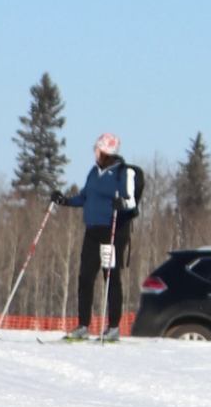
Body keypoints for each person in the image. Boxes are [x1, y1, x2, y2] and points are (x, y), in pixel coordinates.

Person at [54, 133, 144, 338]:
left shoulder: (123, 172)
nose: (95, 152)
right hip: (92, 231)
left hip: (112, 232)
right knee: (85, 277)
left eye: (98, 149)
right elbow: (84, 197)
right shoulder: (94, 172)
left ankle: (113, 327)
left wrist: (121, 203)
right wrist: (64, 201)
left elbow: (130, 201)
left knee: (110, 277)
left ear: (106, 151)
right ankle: (83, 325)